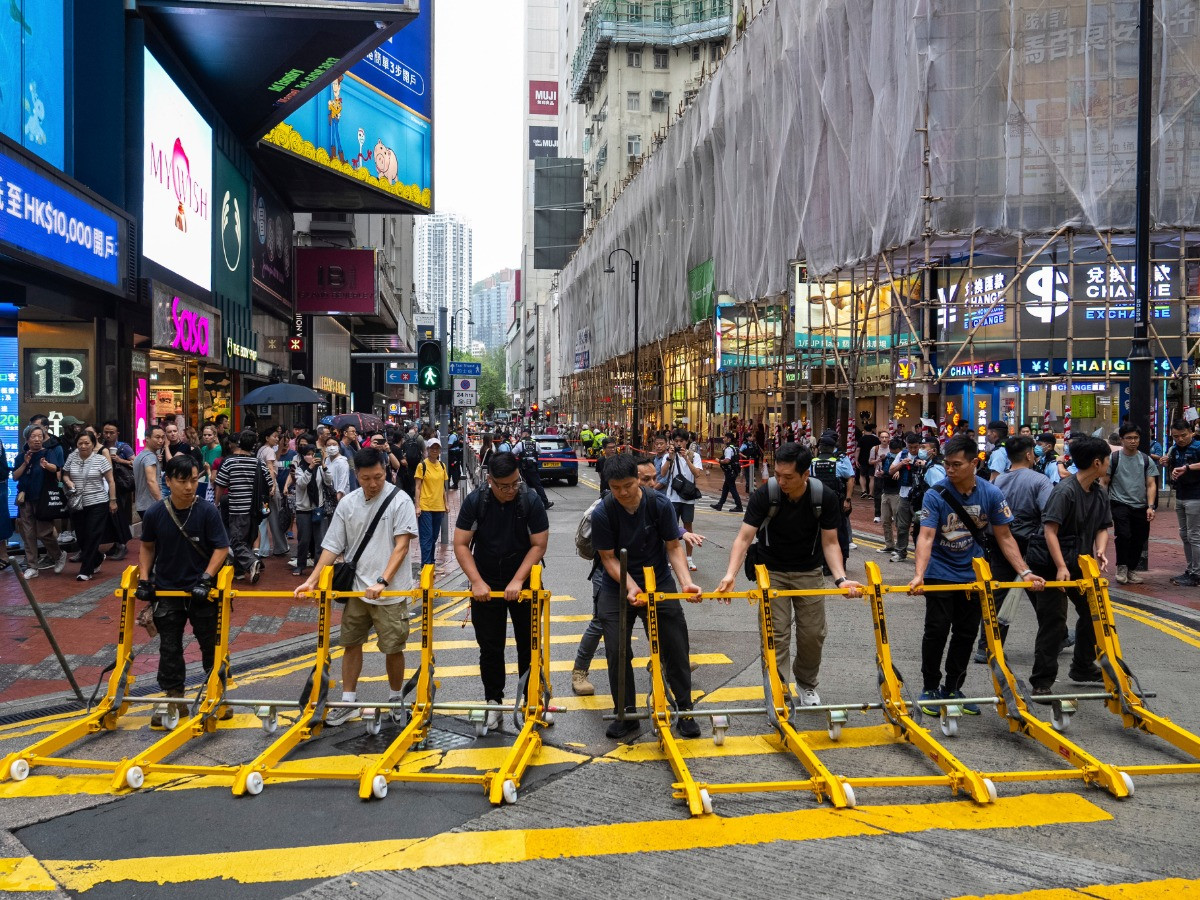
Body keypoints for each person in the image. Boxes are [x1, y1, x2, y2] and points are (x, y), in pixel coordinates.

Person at [908, 434, 1044, 715]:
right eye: (947, 464)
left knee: (966, 633)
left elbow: (1005, 537)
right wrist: (919, 574)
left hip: (973, 574)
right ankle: (930, 687)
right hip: (939, 572)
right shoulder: (936, 494)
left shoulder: (991, 493)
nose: (950, 470)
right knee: (936, 630)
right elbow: (926, 536)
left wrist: (1025, 572)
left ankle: (953, 688)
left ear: (974, 463)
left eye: (956, 464)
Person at [717, 442, 863, 704]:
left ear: (805, 474)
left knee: (813, 635)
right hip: (772, 572)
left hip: (809, 571)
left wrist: (840, 578)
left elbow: (831, 542)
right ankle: (778, 686)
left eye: (788, 477)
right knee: (775, 634)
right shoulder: (766, 494)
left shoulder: (824, 497)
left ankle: (806, 684)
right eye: (777, 474)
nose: (781, 481)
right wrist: (730, 575)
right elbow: (744, 537)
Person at [295, 449, 418, 726]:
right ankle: (348, 702)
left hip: (390, 592)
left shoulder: (400, 500)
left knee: (393, 648)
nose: (373, 483)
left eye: (378, 477)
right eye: (366, 478)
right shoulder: (348, 504)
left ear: (385, 471)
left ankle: (395, 701)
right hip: (356, 590)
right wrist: (311, 580)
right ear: (356, 475)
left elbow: (401, 546)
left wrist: (383, 581)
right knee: (351, 644)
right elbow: (331, 547)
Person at [590, 453, 702, 740]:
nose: (623, 492)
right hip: (617, 584)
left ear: (637, 480)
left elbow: (673, 547)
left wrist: (686, 582)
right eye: (615, 488)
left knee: (675, 644)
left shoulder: (659, 504)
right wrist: (630, 586)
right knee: (617, 650)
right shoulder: (603, 512)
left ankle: (685, 709)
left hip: (658, 580)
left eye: (628, 485)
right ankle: (626, 713)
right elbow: (608, 558)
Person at [453, 451, 550, 731]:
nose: (511, 490)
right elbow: (461, 543)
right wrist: (476, 581)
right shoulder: (476, 501)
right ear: (490, 481)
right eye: (504, 486)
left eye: (515, 483)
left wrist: (518, 580)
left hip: (525, 581)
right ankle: (493, 702)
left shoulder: (530, 499)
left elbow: (539, 545)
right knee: (490, 647)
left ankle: (532, 701)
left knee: (529, 645)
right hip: (486, 582)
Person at [136, 454, 230, 728]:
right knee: (169, 648)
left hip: (203, 592)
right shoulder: (155, 513)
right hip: (167, 591)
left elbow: (221, 547)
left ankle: (218, 695)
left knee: (211, 645)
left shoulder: (207, 511)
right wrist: (145, 580)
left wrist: (206, 578)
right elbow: (147, 546)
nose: (189, 487)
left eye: (193, 480)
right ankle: (174, 697)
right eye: (182, 481)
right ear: (168, 481)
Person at [1034, 436, 1113, 688]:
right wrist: (1060, 566)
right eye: (1108, 459)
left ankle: (1082, 667)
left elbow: (1102, 526)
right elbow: (1050, 531)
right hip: (1051, 566)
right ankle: (1041, 682)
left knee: (1093, 613)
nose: (1109, 464)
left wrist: (1100, 549)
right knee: (1054, 622)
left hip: (1080, 563)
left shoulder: (1099, 493)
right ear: (1097, 462)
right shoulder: (1064, 491)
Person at [973, 435, 1052, 664]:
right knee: (1043, 596)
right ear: (1028, 454)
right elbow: (1049, 513)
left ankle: (987, 646)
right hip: (1030, 544)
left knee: (998, 593)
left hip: (999, 542)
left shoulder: (997, 481)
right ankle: (1054, 639)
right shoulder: (1040, 481)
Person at [214, 430, 271, 584]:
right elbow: (269, 484)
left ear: (239, 443)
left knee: (236, 541)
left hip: (237, 508)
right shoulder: (259, 463)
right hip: (255, 510)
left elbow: (220, 485)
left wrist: (216, 503)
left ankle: (252, 562)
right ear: (254, 446)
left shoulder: (229, 462)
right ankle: (239, 572)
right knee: (245, 540)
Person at [61, 430, 117, 582]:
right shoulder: (72, 457)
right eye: (80, 443)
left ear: (93, 444)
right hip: (77, 503)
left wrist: (112, 500)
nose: (83, 446)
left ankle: (86, 570)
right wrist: (69, 482)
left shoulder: (101, 459)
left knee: (93, 535)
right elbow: (64, 474)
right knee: (81, 537)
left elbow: (111, 481)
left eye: (87, 443)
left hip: (98, 502)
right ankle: (97, 557)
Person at [1105, 424, 1157, 585]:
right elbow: (1104, 482)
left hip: (1141, 506)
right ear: (1121, 440)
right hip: (1119, 503)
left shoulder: (1146, 460)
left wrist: (1150, 506)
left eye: (1136, 438)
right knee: (1124, 535)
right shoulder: (1114, 459)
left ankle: (1131, 569)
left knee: (1140, 538)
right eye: (1129, 438)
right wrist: (1103, 505)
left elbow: (1151, 484)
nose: (1133, 441)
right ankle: (1121, 567)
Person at [13, 424, 66, 578]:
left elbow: (56, 469)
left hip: (43, 498)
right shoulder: (21, 456)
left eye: (40, 436)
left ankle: (58, 555)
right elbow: (15, 476)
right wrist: (25, 463)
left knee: (44, 532)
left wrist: (46, 465)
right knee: (28, 533)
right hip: (25, 499)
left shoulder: (48, 452)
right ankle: (32, 566)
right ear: (27, 439)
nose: (37, 439)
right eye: (33, 436)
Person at [1161, 420, 1200, 587]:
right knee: (1184, 534)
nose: (1180, 439)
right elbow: (1173, 467)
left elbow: (1187, 467)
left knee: (1194, 535)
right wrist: (1166, 462)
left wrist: (1188, 468)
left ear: (1191, 432)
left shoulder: (1198, 447)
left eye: (1183, 435)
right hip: (1181, 495)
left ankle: (1197, 574)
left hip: (1196, 496)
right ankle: (1191, 569)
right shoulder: (1174, 449)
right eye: (1176, 436)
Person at [811, 434, 855, 567]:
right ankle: (841, 561)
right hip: (836, 502)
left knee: (818, 532)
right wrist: (847, 500)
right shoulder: (839, 463)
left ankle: (823, 563)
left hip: (816, 502)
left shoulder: (812, 463)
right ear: (832, 448)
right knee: (840, 531)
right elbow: (850, 478)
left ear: (820, 448)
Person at [287, 445, 331, 576]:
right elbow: (301, 484)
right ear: (303, 455)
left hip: (318, 508)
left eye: (313, 454)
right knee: (304, 540)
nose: (311, 457)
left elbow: (329, 481)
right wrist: (310, 468)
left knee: (319, 540)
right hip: (303, 509)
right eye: (308, 454)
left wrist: (323, 465)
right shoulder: (299, 469)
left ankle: (318, 567)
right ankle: (300, 565)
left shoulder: (320, 469)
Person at [664, 429, 703, 571]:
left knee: (688, 528)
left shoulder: (694, 456)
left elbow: (697, 473)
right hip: (672, 497)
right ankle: (671, 558)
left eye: (681, 441)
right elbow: (663, 472)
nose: (679, 443)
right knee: (671, 528)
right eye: (676, 441)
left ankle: (689, 559)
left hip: (688, 498)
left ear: (687, 442)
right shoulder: (669, 455)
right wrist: (670, 457)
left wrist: (686, 458)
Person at [101, 421, 135, 560]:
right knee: (110, 515)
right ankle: (116, 544)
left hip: (120, 485)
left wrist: (120, 460)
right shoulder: (101, 446)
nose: (108, 435)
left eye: (111, 433)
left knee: (118, 513)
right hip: (104, 485)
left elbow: (134, 462)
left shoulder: (123, 447)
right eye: (106, 432)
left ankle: (122, 544)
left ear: (117, 434)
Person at [888, 433, 924, 563]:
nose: (913, 450)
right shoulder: (902, 454)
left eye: (916, 447)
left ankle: (921, 554)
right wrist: (901, 464)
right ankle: (900, 552)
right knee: (902, 525)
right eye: (910, 447)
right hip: (904, 494)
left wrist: (923, 464)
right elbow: (891, 470)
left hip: (920, 497)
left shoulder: (924, 455)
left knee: (921, 526)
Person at [414, 437, 449, 567]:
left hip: (438, 506)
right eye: (432, 448)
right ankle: (426, 565)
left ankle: (431, 564)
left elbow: (443, 487)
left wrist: (446, 503)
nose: (435, 450)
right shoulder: (422, 466)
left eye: (437, 448)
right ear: (428, 449)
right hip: (426, 506)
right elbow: (417, 487)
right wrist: (417, 506)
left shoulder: (442, 466)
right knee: (426, 537)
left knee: (433, 537)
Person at [513, 429, 552, 509]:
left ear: (527, 434)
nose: (521, 435)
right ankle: (545, 502)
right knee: (537, 485)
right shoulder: (535, 443)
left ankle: (522, 504)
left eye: (523, 433)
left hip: (523, 468)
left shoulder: (520, 444)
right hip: (532, 468)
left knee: (522, 485)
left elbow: (513, 453)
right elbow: (540, 452)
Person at [877, 437, 904, 553]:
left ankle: (900, 546)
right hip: (886, 491)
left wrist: (899, 471)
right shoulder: (887, 457)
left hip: (897, 493)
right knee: (885, 521)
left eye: (895, 452)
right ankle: (889, 545)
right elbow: (886, 471)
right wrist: (882, 473)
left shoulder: (904, 460)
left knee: (899, 522)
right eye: (891, 451)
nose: (893, 454)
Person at [134, 425, 164, 522]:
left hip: (143, 504)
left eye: (162, 437)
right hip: (150, 504)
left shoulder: (140, 455)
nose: (161, 440)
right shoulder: (150, 457)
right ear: (147, 438)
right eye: (157, 437)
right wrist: (161, 503)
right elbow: (151, 481)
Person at [710, 432, 744, 512]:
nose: (723, 439)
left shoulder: (728, 449)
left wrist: (719, 461)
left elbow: (727, 460)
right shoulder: (735, 447)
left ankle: (739, 506)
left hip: (730, 471)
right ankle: (720, 505)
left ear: (729, 439)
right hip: (734, 470)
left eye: (725, 438)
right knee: (725, 488)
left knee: (732, 489)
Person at [857, 423, 880, 499]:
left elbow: (858, 449)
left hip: (862, 459)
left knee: (862, 475)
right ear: (871, 430)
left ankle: (863, 491)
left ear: (864, 430)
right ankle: (871, 494)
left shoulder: (861, 439)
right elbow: (878, 449)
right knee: (872, 477)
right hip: (873, 460)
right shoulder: (876, 439)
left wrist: (856, 460)